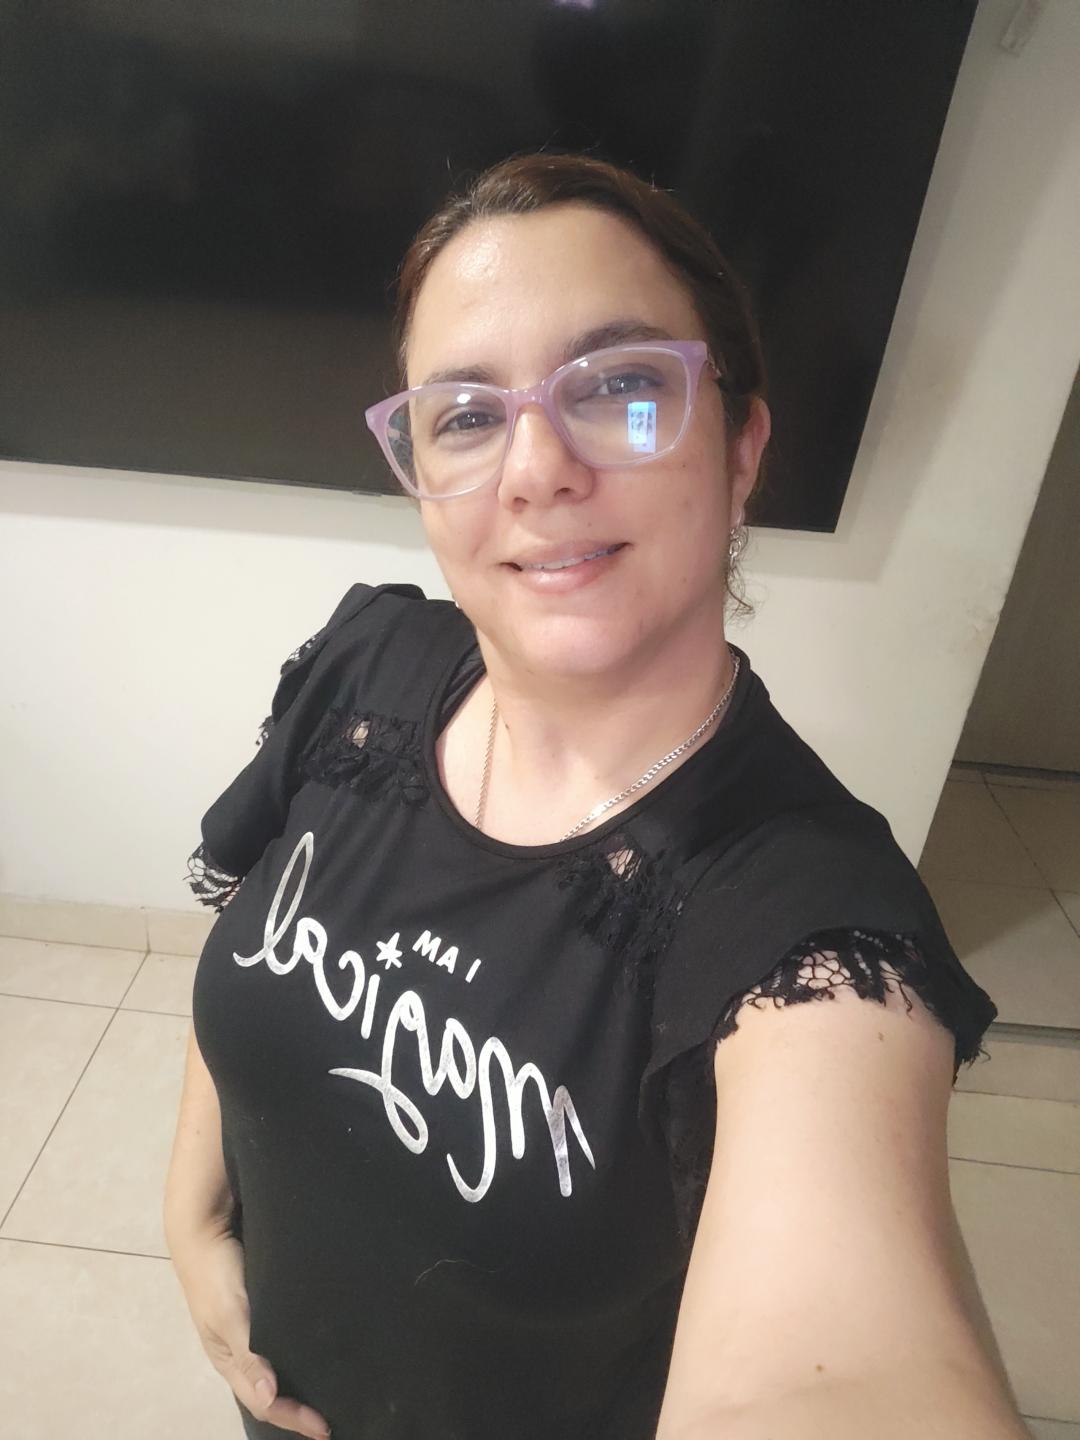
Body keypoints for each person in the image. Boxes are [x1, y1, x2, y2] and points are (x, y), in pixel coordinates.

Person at [165, 152, 1026, 1440]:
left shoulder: (810, 931)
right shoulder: (366, 667)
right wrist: (192, 1203)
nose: (536, 470)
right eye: (466, 415)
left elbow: (845, 1372)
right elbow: (251, 931)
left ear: (742, 445)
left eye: (621, 387)